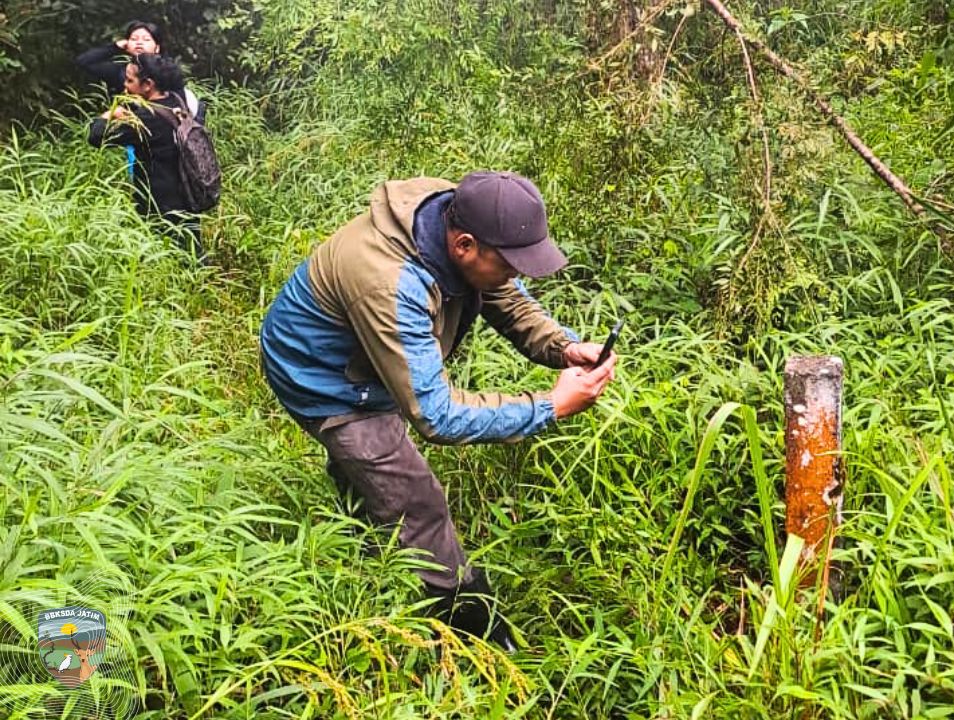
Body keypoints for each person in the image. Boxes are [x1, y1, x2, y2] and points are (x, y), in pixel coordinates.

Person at [259, 171, 618, 651]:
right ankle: (476, 633)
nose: (516, 276)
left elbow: (503, 295)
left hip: (362, 353)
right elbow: (437, 416)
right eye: (510, 265)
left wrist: (563, 346)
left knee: (377, 478)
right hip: (322, 377)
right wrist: (550, 406)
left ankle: (368, 541)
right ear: (464, 246)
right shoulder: (391, 282)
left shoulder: (456, 219)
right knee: (418, 500)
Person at [87, 54, 203, 259]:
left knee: (163, 255)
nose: (124, 85)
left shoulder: (147, 120)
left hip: (158, 202)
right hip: (186, 193)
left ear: (148, 84)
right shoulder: (175, 101)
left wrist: (108, 116)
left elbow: (97, 138)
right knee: (191, 251)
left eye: (129, 80)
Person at [76, 21, 203, 120]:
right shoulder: (122, 72)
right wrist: (115, 47)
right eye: (134, 39)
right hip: (135, 131)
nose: (139, 43)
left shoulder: (167, 71)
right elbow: (84, 61)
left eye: (146, 39)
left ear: (157, 48)